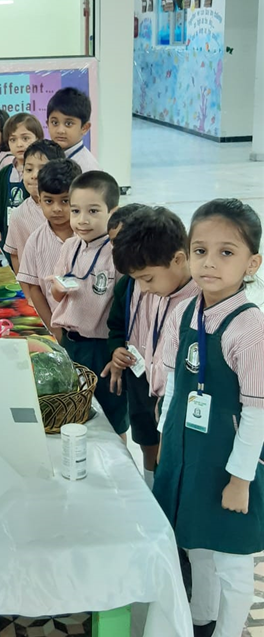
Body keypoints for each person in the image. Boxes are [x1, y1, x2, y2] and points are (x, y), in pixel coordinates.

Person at [154, 199, 264, 637]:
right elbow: (175, 382)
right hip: (188, 453)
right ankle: (202, 617)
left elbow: (258, 412)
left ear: (252, 263)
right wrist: (166, 438)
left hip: (230, 463)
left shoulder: (250, 328)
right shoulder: (186, 309)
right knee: (194, 540)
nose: (210, 263)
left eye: (226, 253)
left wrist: (240, 479)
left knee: (232, 561)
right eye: (200, 251)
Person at [110, 206, 199, 482]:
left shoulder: (199, 302)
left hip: (182, 406)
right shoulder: (162, 288)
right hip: (149, 385)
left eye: (147, 279)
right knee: (151, 452)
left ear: (179, 259)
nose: (143, 288)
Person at [51, 171, 128, 438]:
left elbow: (127, 306)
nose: (82, 220)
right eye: (75, 211)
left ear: (113, 213)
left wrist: (119, 349)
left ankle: (118, 461)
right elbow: (57, 294)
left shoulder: (117, 252)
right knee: (74, 409)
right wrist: (57, 289)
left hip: (103, 348)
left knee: (111, 417)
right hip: (71, 343)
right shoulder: (69, 246)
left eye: (93, 211)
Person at [17, 159, 80, 336]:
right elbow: (35, 289)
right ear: (39, 199)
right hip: (57, 327)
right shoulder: (35, 241)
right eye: (49, 201)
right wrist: (54, 331)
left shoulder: (89, 237)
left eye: (65, 201)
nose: (57, 209)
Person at [4, 140, 66, 275]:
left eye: (43, 170)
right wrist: (25, 286)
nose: (34, 176)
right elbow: (15, 254)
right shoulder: (18, 215)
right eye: (29, 169)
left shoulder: (69, 209)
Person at [0, 113, 44, 251]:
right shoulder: (4, 173)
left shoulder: (43, 173)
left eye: (25, 138)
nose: (19, 144)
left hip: (35, 242)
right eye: (13, 139)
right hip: (8, 241)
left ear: (38, 139)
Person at [46, 87, 100, 171]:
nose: (60, 131)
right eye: (55, 123)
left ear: (85, 128)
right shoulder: (43, 158)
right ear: (47, 124)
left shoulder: (89, 168)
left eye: (68, 124)